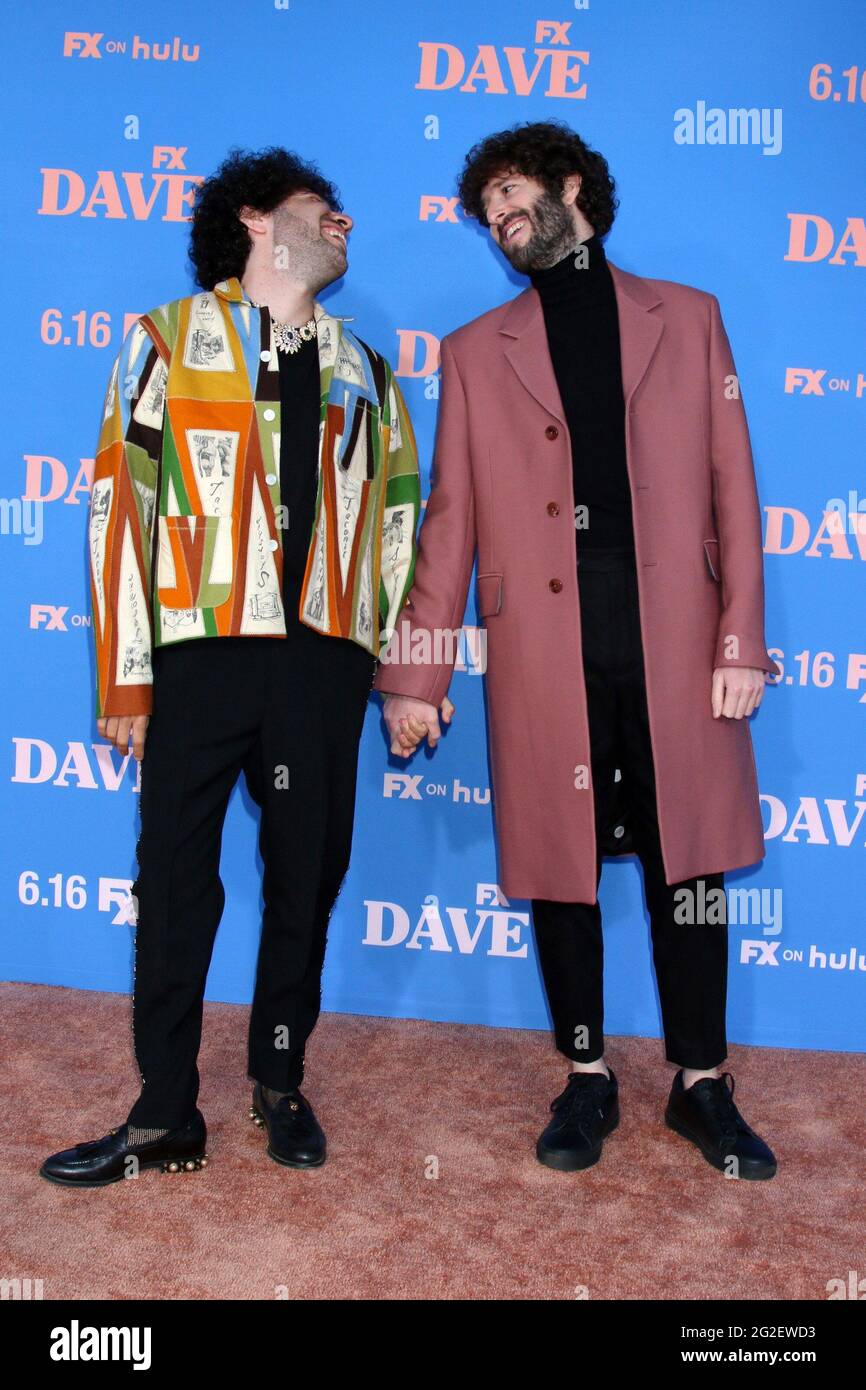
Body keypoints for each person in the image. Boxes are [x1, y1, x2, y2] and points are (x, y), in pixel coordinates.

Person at [376, 121, 778, 1180]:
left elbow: (733, 489)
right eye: (488, 217)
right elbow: (449, 524)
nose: (503, 225)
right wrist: (414, 675)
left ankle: (701, 1082)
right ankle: (586, 1074)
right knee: (561, 864)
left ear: (570, 187)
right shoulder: (472, 352)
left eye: (512, 199)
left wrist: (740, 640)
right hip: (543, 646)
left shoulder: (687, 319)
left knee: (686, 864)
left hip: (679, 640)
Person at [40, 147, 420, 1187]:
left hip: (317, 665)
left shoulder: (366, 374)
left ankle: (278, 1080)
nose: (343, 221)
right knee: (174, 880)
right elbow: (120, 505)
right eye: (321, 206)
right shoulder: (167, 339)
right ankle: (164, 1112)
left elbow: (395, 527)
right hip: (198, 655)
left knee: (307, 876)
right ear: (256, 219)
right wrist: (126, 677)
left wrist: (380, 666)